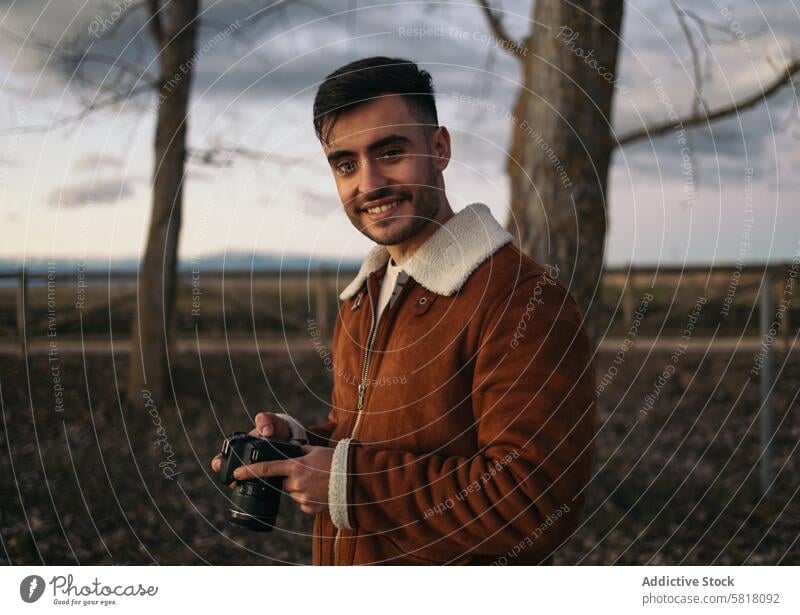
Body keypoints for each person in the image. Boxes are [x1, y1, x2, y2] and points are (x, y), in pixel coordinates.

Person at [212, 56, 596, 565]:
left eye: (390, 152)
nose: (369, 184)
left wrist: (348, 483)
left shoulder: (522, 301)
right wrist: (303, 447)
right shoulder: (365, 295)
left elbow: (532, 501)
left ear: (440, 148)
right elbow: (380, 437)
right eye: (346, 164)